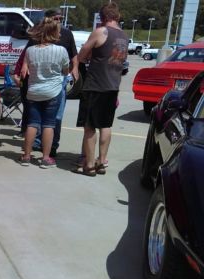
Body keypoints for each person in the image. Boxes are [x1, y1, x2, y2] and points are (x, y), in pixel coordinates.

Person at [13, 8, 78, 157]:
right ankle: (42, 151)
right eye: (56, 19)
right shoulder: (46, 39)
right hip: (51, 85)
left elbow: (74, 53)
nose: (59, 22)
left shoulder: (67, 34)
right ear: (47, 20)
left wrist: (75, 69)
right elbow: (26, 56)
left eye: (60, 19)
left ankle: (39, 151)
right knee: (46, 121)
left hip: (43, 86)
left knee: (46, 120)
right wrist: (23, 67)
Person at [73, 3, 128, 176]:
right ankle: (101, 161)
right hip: (113, 86)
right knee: (106, 125)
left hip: (95, 85)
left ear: (103, 17)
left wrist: (86, 57)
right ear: (117, 16)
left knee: (90, 127)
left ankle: (89, 165)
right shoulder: (124, 36)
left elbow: (82, 54)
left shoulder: (101, 31)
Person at [18, 17, 69, 168]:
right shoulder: (61, 50)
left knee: (32, 124)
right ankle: (45, 158)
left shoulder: (30, 50)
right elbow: (65, 71)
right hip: (53, 91)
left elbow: (28, 69)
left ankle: (26, 156)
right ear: (54, 33)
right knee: (49, 124)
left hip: (33, 91)